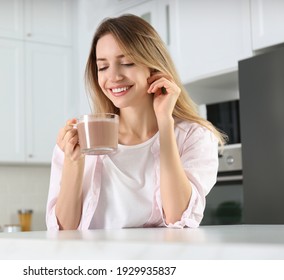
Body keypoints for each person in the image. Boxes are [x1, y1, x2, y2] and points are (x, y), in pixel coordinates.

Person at [46, 14, 225, 230]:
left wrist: (165, 123)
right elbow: (63, 232)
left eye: (127, 63)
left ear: (154, 66)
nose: (113, 76)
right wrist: (72, 162)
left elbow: (178, 218)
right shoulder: (80, 137)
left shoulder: (195, 137)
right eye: (102, 67)